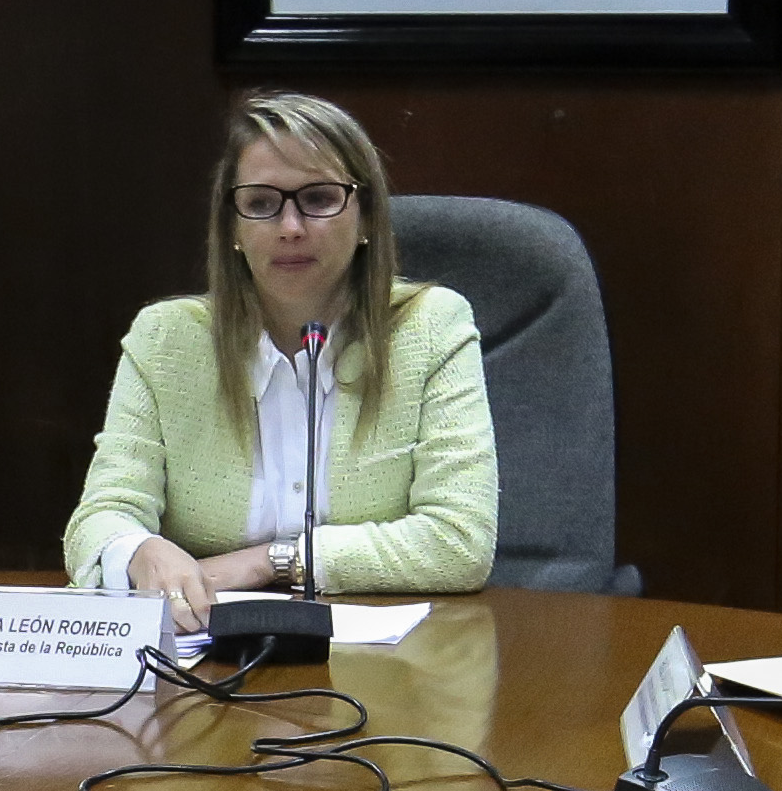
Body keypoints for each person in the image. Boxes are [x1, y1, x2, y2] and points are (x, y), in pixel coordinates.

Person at [59, 94, 498, 633]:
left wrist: (272, 559)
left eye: (318, 199)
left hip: (392, 666)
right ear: (233, 230)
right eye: (262, 203)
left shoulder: (431, 328)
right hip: (204, 657)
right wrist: (137, 550)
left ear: (366, 219)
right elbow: (98, 520)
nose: (290, 227)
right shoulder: (168, 340)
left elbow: (459, 542)